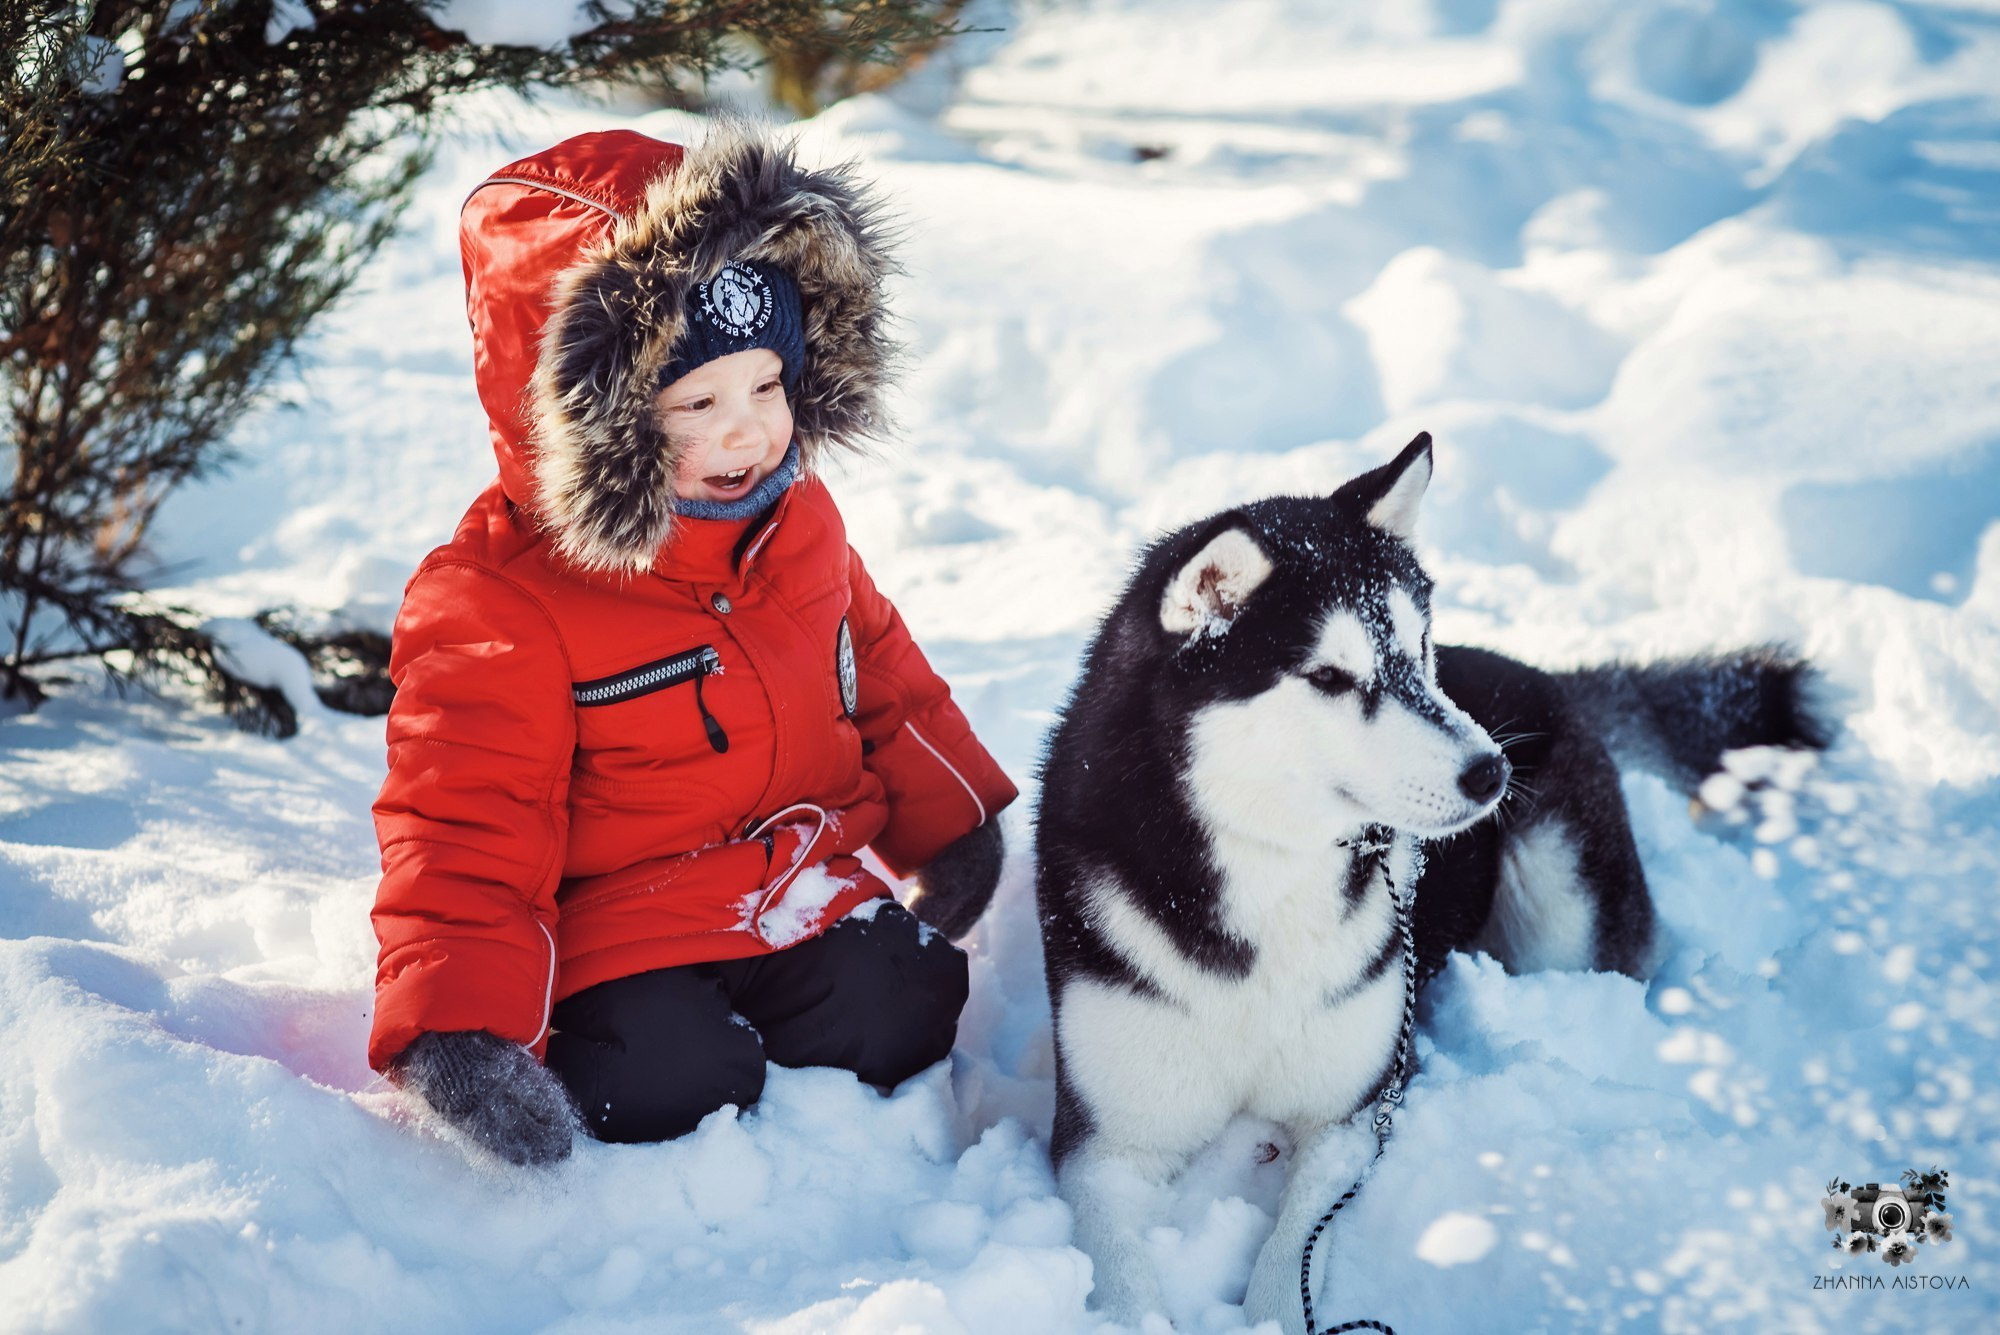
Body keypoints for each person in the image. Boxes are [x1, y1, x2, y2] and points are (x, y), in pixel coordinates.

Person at [365, 122, 1018, 1164]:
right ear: (601, 420)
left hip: (790, 880)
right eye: (697, 402)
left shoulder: (797, 521)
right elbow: (462, 828)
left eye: (768, 386)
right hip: (618, 927)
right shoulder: (500, 600)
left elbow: (879, 671)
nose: (746, 430)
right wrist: (461, 1032)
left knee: (907, 1003)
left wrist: (949, 823)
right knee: (660, 1079)